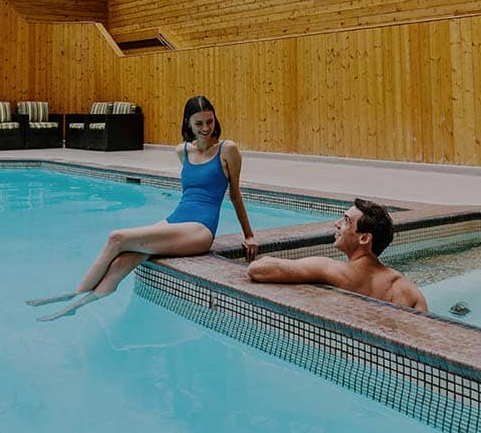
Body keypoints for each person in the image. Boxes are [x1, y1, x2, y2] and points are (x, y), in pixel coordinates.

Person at [28, 95, 258, 321]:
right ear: (188, 123)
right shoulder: (182, 151)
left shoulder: (227, 150)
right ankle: (77, 305)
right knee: (122, 261)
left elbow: (235, 195)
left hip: (200, 229)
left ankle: (74, 293)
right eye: (199, 123)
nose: (206, 128)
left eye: (210, 121)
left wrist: (249, 235)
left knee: (116, 238)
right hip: (175, 220)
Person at [248, 198, 427, 310]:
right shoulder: (410, 292)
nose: (337, 223)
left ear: (364, 238)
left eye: (346, 221)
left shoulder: (330, 270)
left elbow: (257, 269)